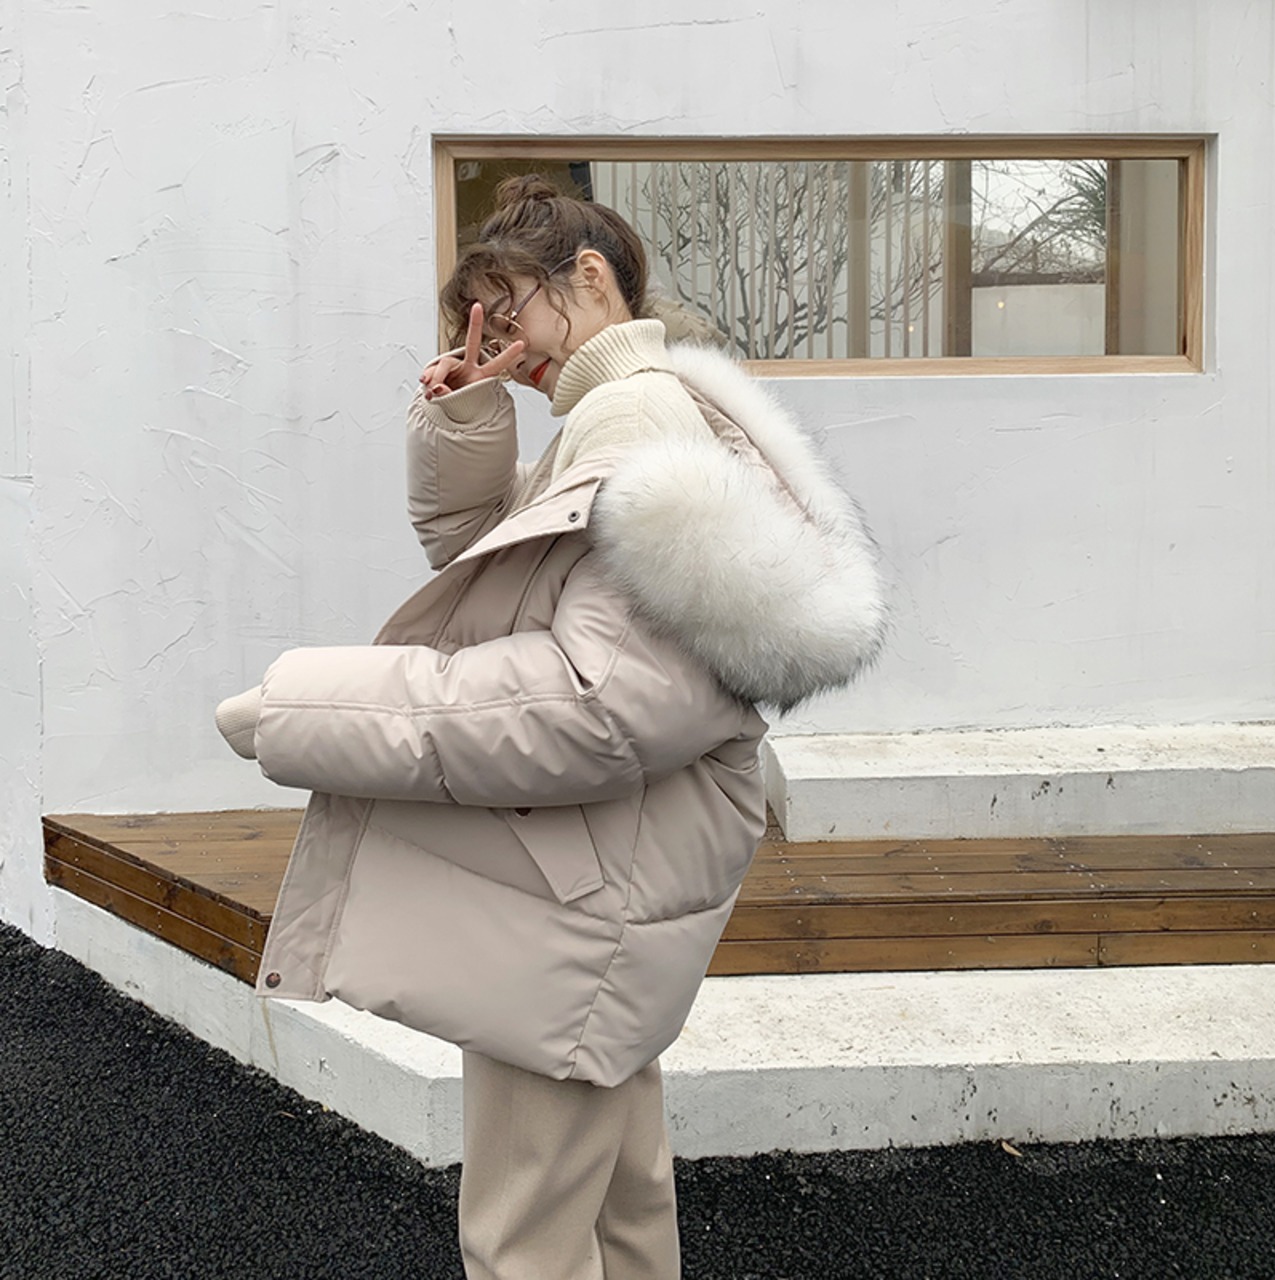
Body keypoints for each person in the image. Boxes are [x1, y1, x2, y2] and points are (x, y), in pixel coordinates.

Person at [215, 175, 886, 1280]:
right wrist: (468, 415)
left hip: (583, 890)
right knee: (617, 1201)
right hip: (604, 876)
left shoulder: (634, 425)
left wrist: (306, 709)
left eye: (511, 309)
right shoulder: (630, 414)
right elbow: (501, 568)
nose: (504, 342)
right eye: (480, 324)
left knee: (522, 1236)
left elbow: (591, 704)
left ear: (588, 276)